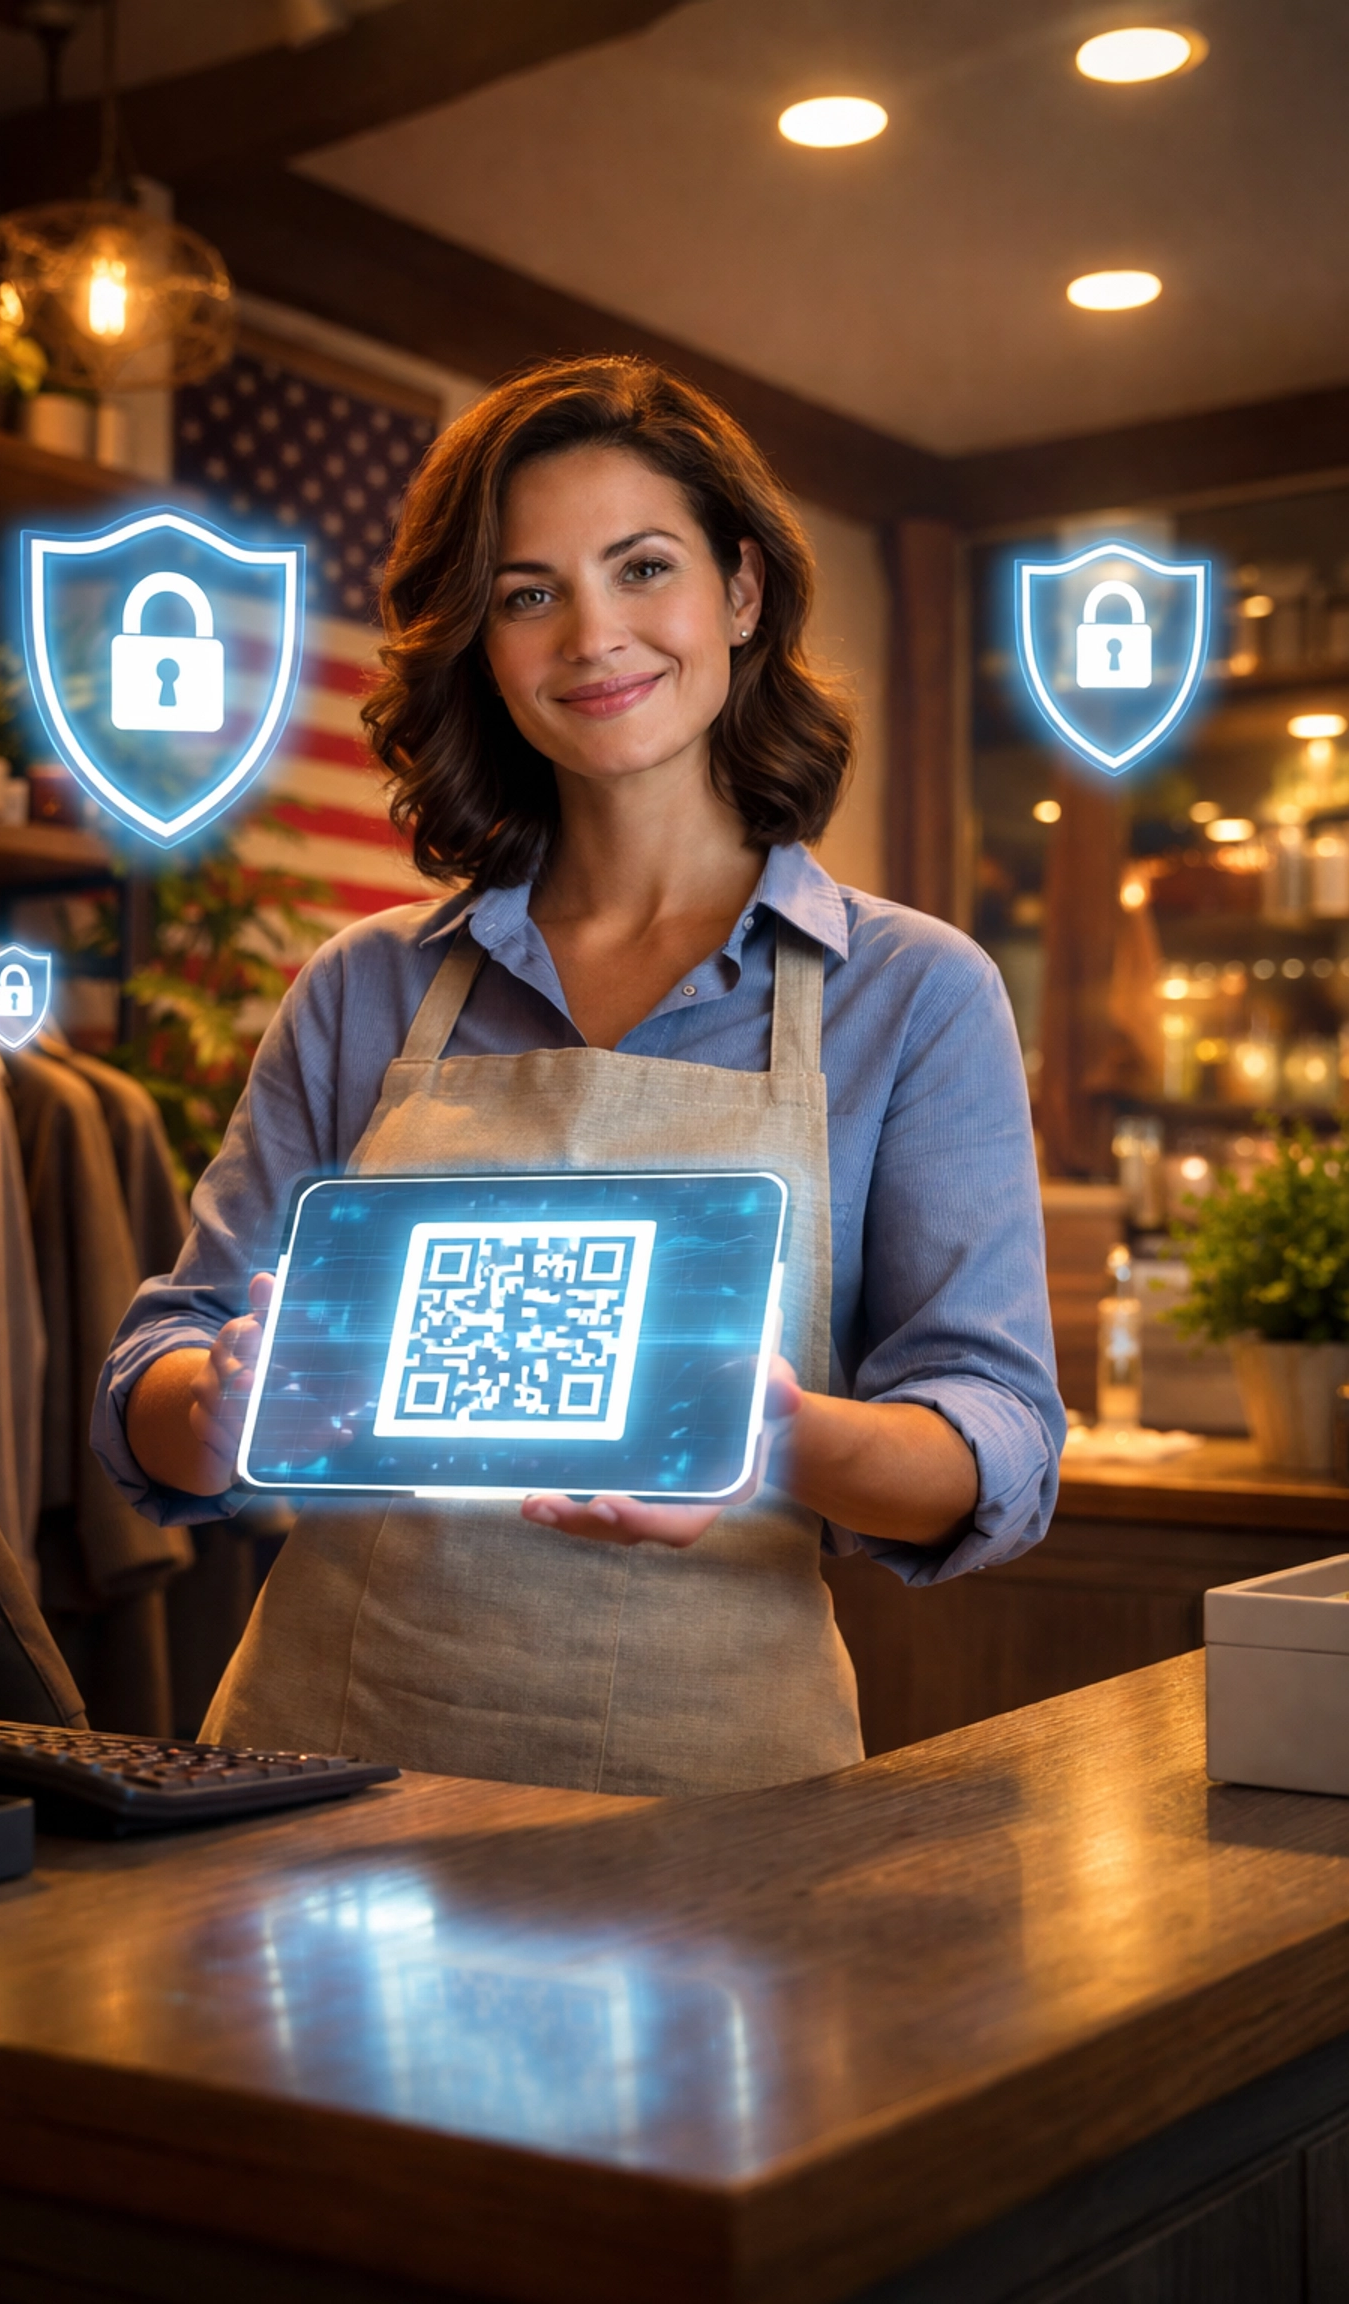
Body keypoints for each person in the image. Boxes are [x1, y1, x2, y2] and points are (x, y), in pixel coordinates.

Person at [92, 354, 1063, 1797]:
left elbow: (994, 1439)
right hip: (319, 1776)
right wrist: (216, 1402)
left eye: (642, 567)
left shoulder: (911, 994)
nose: (593, 634)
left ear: (740, 593)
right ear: (482, 642)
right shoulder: (366, 987)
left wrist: (770, 1440)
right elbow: (157, 1370)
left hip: (717, 1806)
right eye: (529, 591)